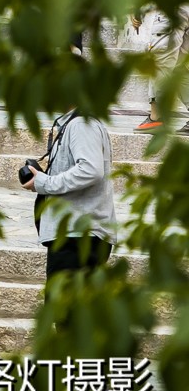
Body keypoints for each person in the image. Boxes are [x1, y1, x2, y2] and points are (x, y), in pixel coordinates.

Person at [22, 104, 116, 279]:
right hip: (76, 235)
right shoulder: (76, 123)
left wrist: (45, 182)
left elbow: (91, 170)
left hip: (77, 237)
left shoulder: (81, 124)